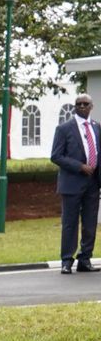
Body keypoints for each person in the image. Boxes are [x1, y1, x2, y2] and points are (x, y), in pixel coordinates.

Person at [51, 94, 98, 274]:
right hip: (71, 183)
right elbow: (56, 156)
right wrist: (80, 166)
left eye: (85, 104)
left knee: (90, 223)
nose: (82, 107)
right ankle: (66, 261)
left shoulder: (96, 127)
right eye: (78, 104)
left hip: (92, 184)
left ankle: (85, 259)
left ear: (91, 106)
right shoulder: (64, 129)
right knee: (70, 223)